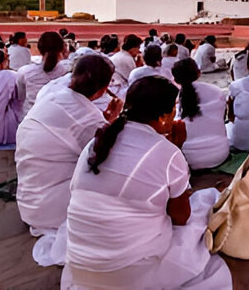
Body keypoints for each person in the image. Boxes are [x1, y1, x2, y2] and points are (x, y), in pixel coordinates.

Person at [63, 76, 231, 289]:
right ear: (163, 117)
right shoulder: (168, 153)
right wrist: (177, 150)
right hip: (128, 274)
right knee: (205, 208)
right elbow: (181, 217)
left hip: (81, 266)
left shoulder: (96, 144)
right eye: (173, 110)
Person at [16, 55, 123, 267]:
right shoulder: (88, 118)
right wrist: (110, 123)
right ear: (104, 89)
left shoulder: (51, 96)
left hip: (29, 200)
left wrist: (105, 120)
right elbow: (106, 159)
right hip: (52, 210)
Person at [173, 58, 230, 170]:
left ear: (176, 79)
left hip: (189, 159)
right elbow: (223, 118)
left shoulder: (177, 101)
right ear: (198, 73)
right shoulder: (217, 91)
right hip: (220, 154)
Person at [17, 31, 71, 113]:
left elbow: (20, 97)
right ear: (62, 48)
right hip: (60, 117)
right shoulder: (68, 71)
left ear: (39, 48)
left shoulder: (25, 72)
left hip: (30, 117)